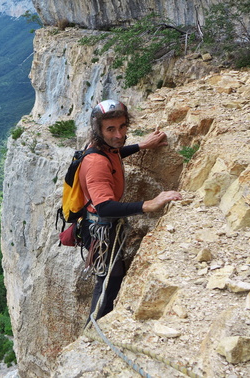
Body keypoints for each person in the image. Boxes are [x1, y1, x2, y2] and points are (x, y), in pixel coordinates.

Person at [79, 99, 182, 322]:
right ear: (99, 130)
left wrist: (141, 146)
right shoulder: (96, 162)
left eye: (123, 126)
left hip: (101, 226)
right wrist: (148, 204)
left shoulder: (102, 148)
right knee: (109, 279)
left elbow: (115, 153)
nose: (119, 134)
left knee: (113, 274)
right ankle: (93, 330)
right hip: (100, 230)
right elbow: (104, 207)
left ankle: (99, 323)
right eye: (111, 129)